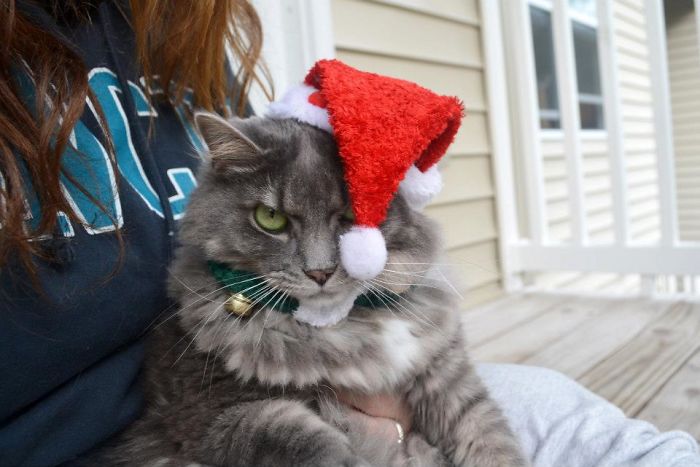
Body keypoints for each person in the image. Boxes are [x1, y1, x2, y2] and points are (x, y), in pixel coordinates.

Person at [1, 1, 699, 466]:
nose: (315, 265)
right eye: (276, 219)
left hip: (354, 385)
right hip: (168, 435)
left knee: (602, 431)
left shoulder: (162, 29)